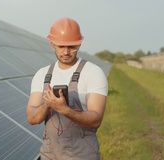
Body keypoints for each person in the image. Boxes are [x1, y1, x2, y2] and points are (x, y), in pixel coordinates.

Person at [26, 17, 108, 160]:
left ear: (79, 44)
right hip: (49, 154)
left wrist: (65, 110)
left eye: (71, 46)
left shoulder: (93, 73)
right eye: (61, 46)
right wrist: (48, 104)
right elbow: (32, 118)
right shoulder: (42, 74)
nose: (66, 52)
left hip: (83, 155)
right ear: (52, 44)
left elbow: (96, 119)